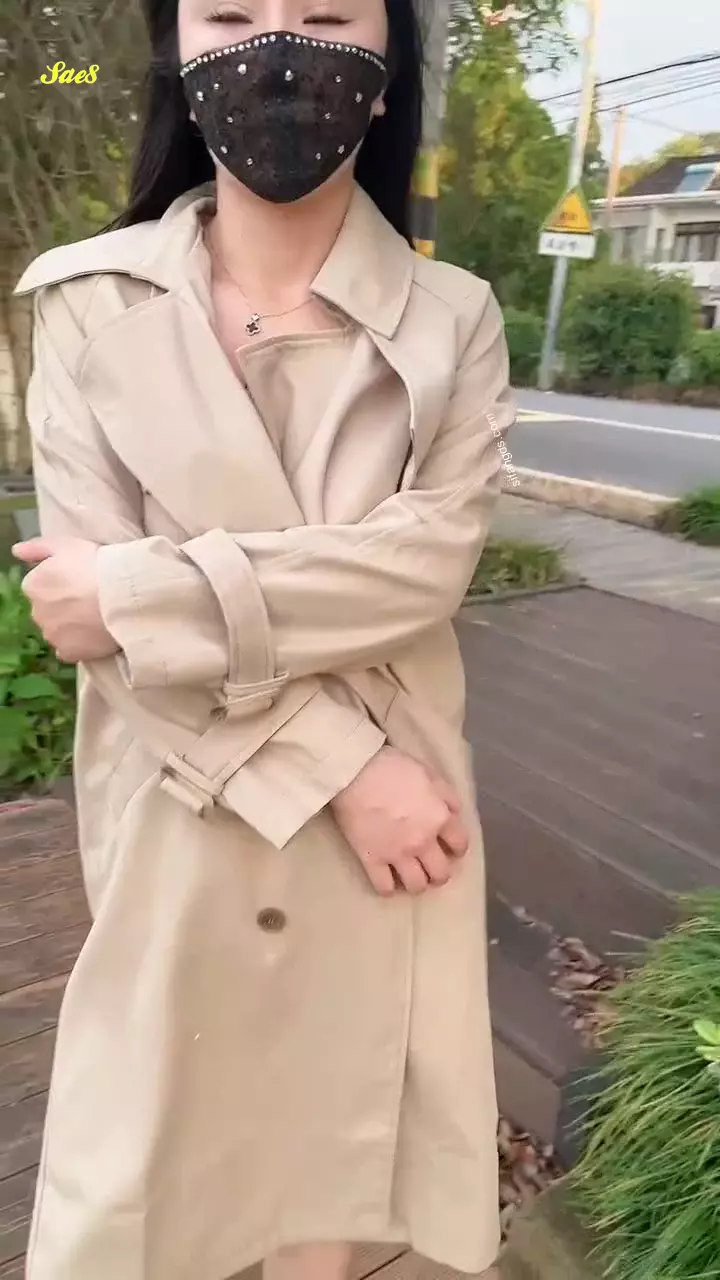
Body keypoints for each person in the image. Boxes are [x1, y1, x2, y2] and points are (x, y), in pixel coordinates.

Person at [13, 1, 515, 1277]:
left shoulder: (454, 317)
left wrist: (141, 593)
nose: (278, 50)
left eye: (328, 14)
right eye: (231, 14)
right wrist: (347, 768)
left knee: (319, 1195)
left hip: (387, 858)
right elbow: (100, 640)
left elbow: (424, 566)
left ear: (388, 71)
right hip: (190, 805)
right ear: (179, 58)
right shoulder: (82, 300)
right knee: (149, 1195)